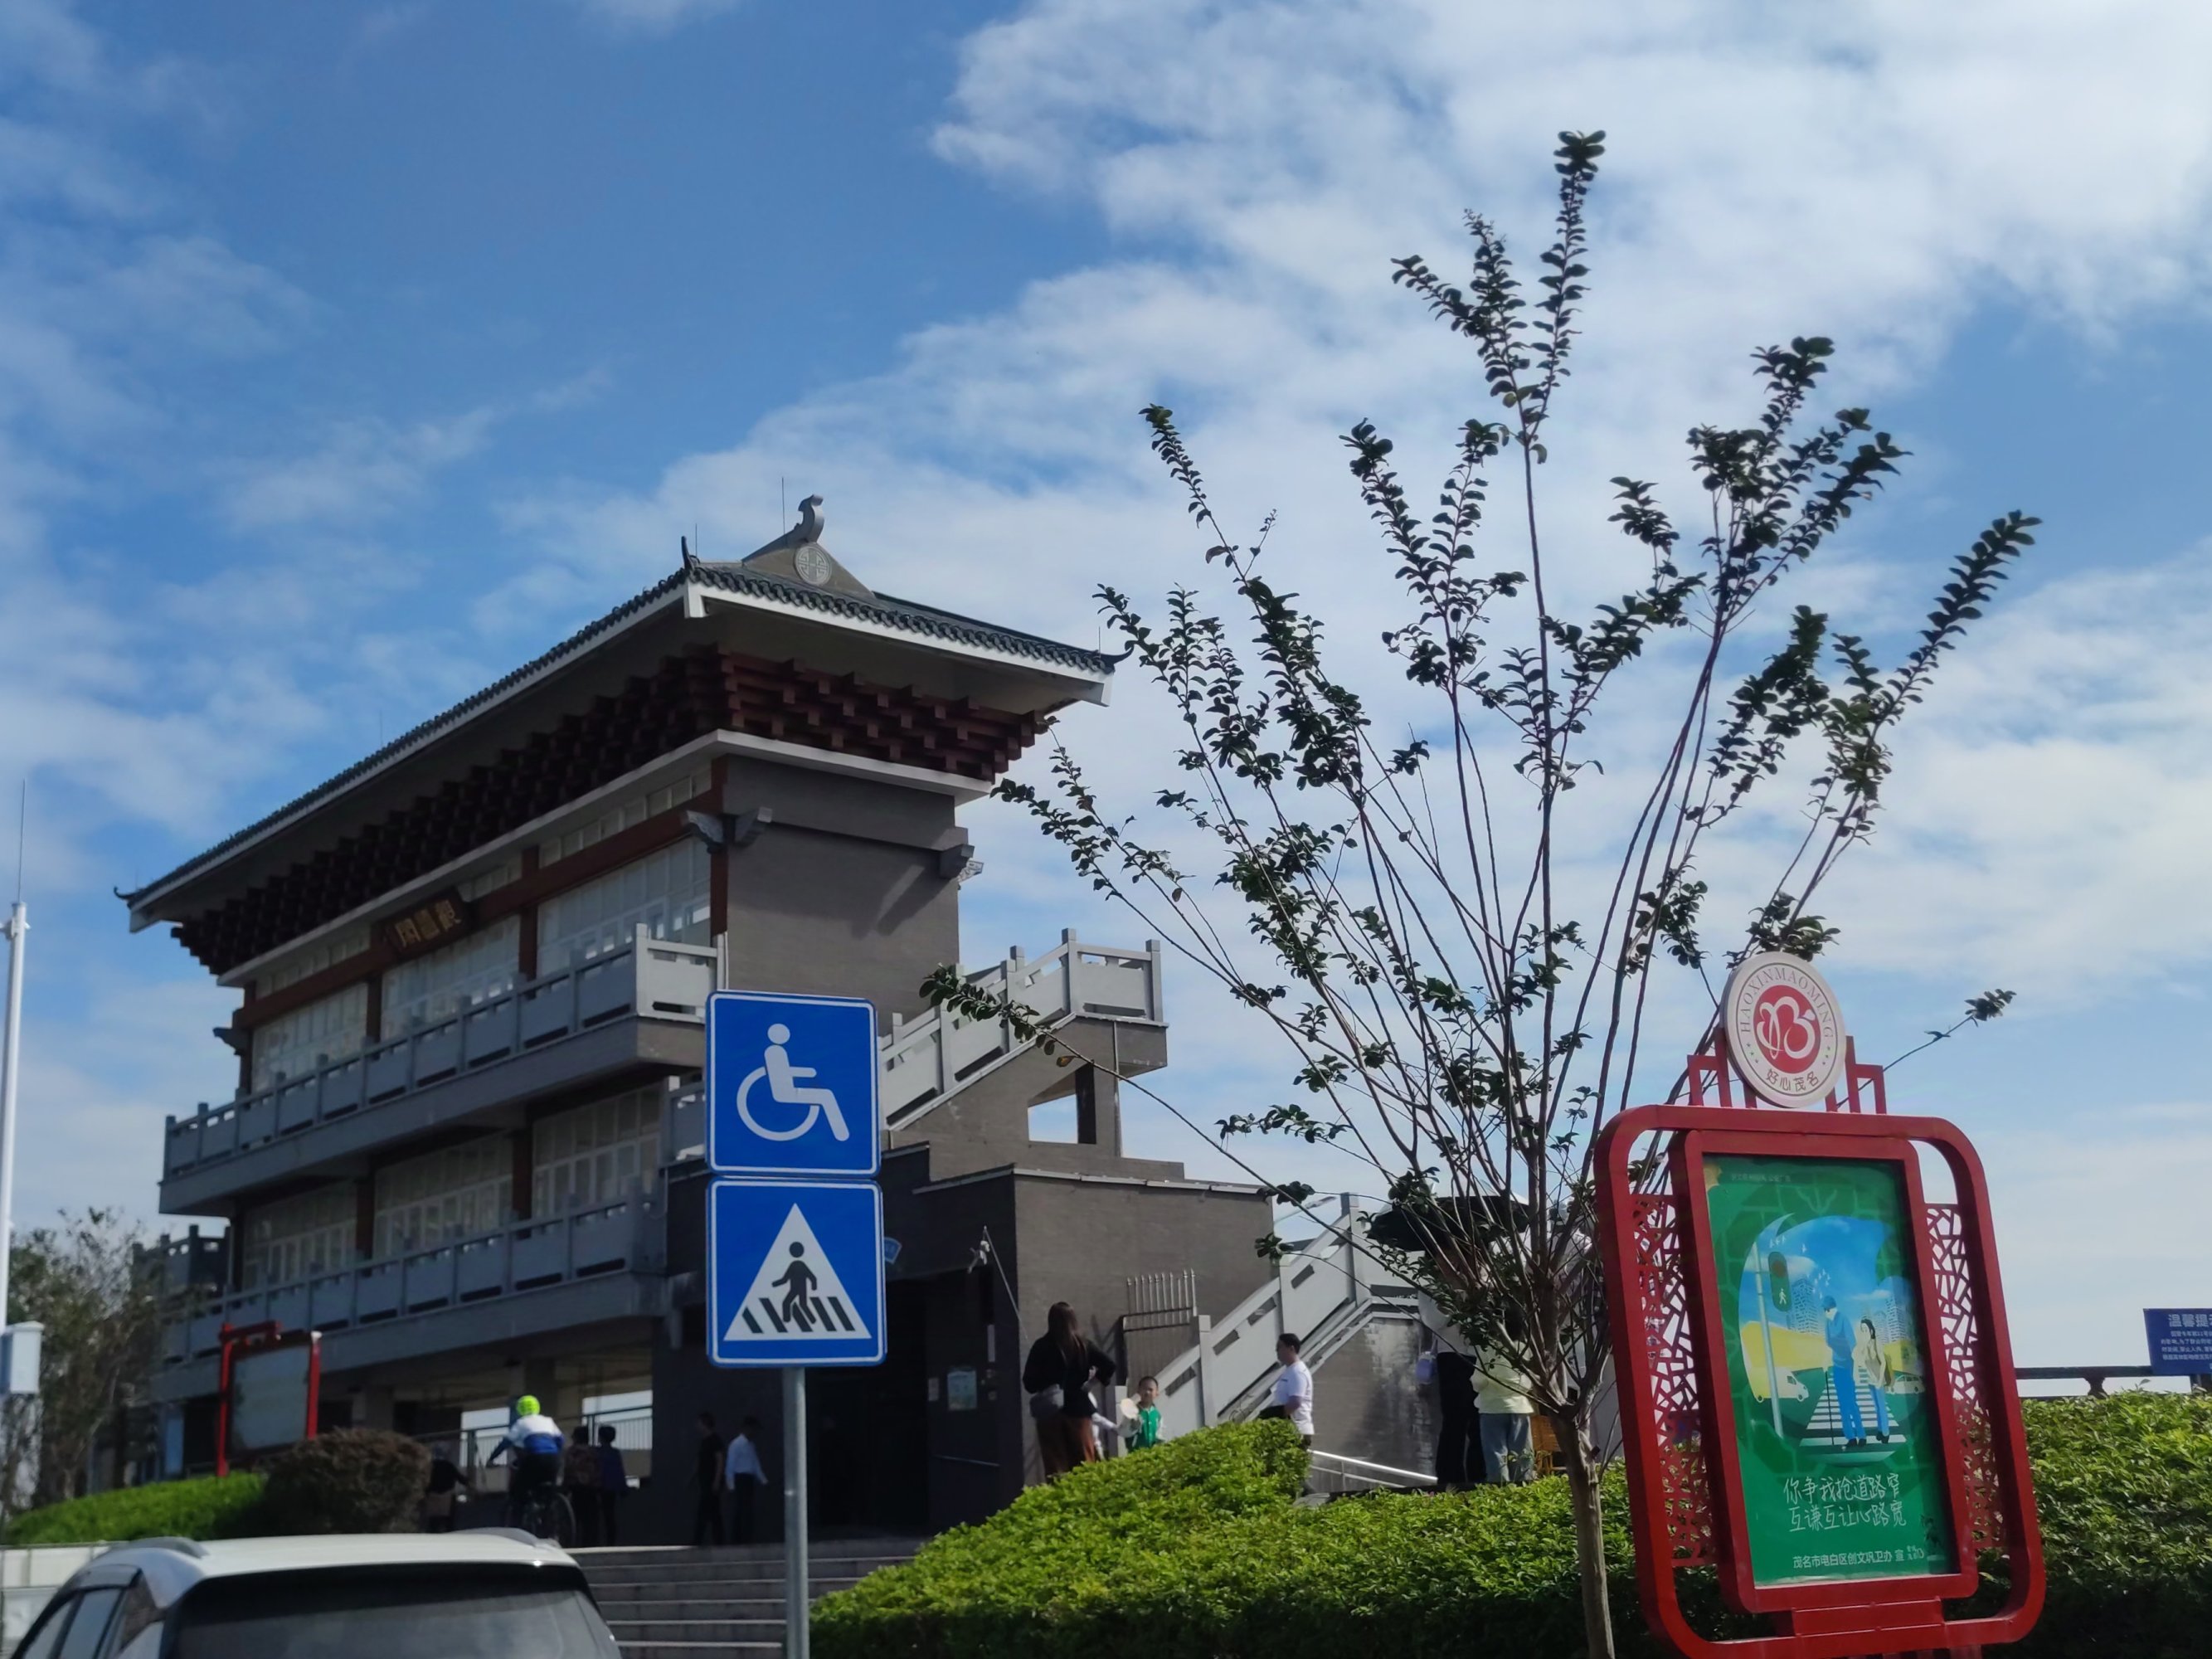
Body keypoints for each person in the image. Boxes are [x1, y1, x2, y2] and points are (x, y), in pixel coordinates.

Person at [1022, 1301, 1117, 1478]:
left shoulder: (1041, 1346)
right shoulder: (1084, 1345)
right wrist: (1090, 1383)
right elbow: (1109, 1365)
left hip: (1050, 1412)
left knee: (1055, 1466)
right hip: (1079, 1409)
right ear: (1073, 1321)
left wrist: (1047, 1384)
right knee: (1083, 1461)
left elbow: (1029, 1383)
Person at [490, 1395, 564, 1531]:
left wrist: (492, 1458)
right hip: (554, 1458)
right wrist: (554, 1453)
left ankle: (516, 1526)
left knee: (518, 1491)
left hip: (535, 1458)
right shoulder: (548, 1421)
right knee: (548, 1490)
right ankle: (548, 1516)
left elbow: (506, 1442)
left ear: (520, 1409)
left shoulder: (521, 1423)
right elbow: (560, 1440)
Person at [1473, 1339, 1535, 1484]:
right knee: (1522, 1452)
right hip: (1520, 1406)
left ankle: (1500, 1488)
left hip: (1492, 1407)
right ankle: (1524, 1486)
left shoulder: (1486, 1347)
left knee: (1496, 1452)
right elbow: (1529, 1381)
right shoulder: (1524, 1347)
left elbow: (1478, 1382)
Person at [1417, 1340, 1478, 1489]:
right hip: (1455, 1354)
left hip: (1475, 1354)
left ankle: (1474, 1476)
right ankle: (1453, 1477)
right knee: (1456, 1422)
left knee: (1475, 1423)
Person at [1824, 1298, 1867, 1447]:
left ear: (1831, 1309)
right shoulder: (1828, 1323)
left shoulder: (1843, 1319)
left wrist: (1856, 1369)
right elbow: (1828, 1342)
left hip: (1848, 1365)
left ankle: (1861, 1435)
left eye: (1827, 1310)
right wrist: (1826, 1361)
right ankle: (1850, 1437)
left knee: (1852, 1402)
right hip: (1837, 1367)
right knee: (1842, 1404)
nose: (1826, 1313)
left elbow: (1852, 1344)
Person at [1262, 1332, 1315, 1447]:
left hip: (1297, 1429)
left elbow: (1296, 1402)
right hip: (1290, 1428)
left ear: (1291, 1349)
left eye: (1280, 1347)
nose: (1277, 1350)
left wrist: (1277, 1414)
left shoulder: (1298, 1372)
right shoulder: (1290, 1371)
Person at [724, 1415, 766, 1543]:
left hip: (748, 1479)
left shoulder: (751, 1445)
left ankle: (745, 1538)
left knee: (746, 1509)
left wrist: (763, 1480)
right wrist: (731, 1485)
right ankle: (738, 1539)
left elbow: (755, 1464)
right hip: (740, 1479)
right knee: (741, 1510)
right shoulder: (736, 1444)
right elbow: (730, 1465)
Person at [1855, 1318, 1894, 1443]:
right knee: (1877, 1408)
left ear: (1871, 1330)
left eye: (1866, 1329)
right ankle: (1880, 1430)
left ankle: (1886, 1433)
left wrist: (1880, 1381)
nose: (1864, 1332)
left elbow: (1883, 1363)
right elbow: (1861, 1362)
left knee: (1882, 1407)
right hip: (1871, 1381)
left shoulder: (1877, 1343)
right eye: (1862, 1330)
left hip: (1879, 1381)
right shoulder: (1864, 1346)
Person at [562, 1423, 602, 1547]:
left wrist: (564, 1487)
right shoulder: (593, 1452)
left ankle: (574, 1543)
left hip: (576, 1488)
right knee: (590, 1519)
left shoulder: (571, 1452)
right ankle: (590, 1543)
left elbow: (568, 1470)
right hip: (591, 1488)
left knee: (575, 1517)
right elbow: (598, 1470)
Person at [692, 1410, 727, 1545]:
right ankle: (718, 1540)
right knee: (713, 1513)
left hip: (711, 1482)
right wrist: (693, 1477)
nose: (697, 1425)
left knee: (706, 1511)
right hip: (705, 1482)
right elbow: (699, 1462)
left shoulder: (715, 1440)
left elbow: (720, 1460)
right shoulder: (704, 1442)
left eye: (699, 1423)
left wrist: (717, 1481)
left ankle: (698, 1540)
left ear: (704, 1424)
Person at [421, 1443, 471, 1533]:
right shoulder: (449, 1465)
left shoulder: (429, 1466)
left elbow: (423, 1481)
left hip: (432, 1495)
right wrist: (469, 1484)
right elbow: (460, 1478)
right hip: (446, 1496)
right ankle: (448, 1533)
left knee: (433, 1521)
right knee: (448, 1521)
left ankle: (432, 1533)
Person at [593, 1423, 630, 1545]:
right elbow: (619, 1471)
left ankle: (595, 1540)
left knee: (596, 1515)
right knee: (610, 1515)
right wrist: (623, 1488)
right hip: (611, 1488)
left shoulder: (596, 1452)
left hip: (598, 1486)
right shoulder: (615, 1453)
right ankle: (610, 1541)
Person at [1123, 1375, 1163, 1451]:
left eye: (1150, 1390)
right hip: (1136, 1453)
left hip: (1153, 1453)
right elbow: (1123, 1432)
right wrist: (1133, 1428)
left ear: (1157, 1392)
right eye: (1144, 1389)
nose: (1147, 1392)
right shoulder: (1131, 1412)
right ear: (1138, 1390)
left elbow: (1159, 1435)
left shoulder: (1157, 1415)